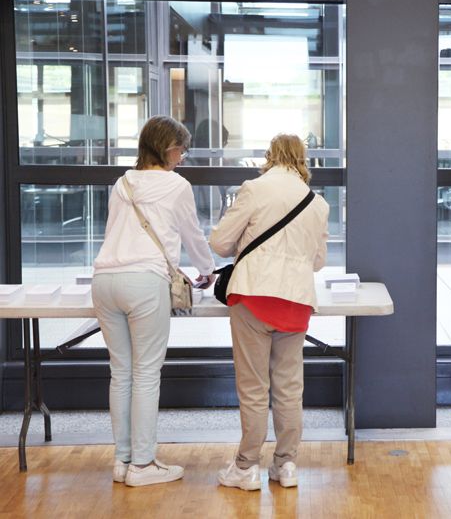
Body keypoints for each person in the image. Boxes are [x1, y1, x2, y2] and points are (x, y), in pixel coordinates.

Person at [92, 115, 216, 487]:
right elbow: (192, 235)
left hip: (105, 280)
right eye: (182, 149)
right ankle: (143, 466)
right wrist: (207, 270)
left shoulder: (122, 183)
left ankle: (123, 460)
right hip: (145, 281)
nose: (183, 156)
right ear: (167, 147)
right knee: (146, 373)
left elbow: (114, 230)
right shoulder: (176, 185)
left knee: (121, 372)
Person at [210, 133, 329, 491]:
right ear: (302, 159)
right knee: (290, 387)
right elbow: (318, 262)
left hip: (254, 296)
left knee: (254, 387)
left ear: (270, 156)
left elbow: (219, 242)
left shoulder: (255, 188)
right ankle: (286, 464)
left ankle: (246, 468)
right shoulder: (317, 203)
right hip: (295, 301)